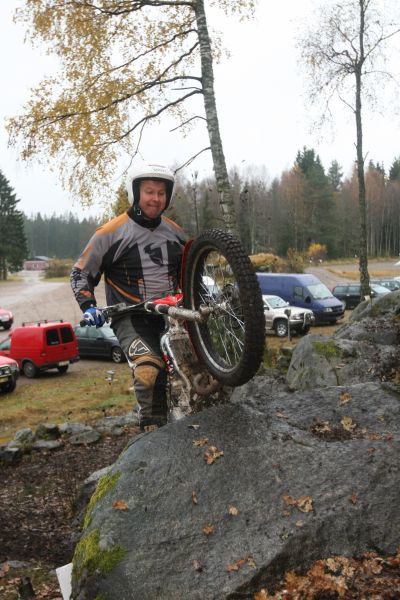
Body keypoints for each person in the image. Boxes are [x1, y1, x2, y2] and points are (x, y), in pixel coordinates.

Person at [70, 164, 187, 432]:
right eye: (149, 192)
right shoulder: (110, 233)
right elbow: (80, 273)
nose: (155, 199)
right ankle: (151, 430)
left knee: (192, 370)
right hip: (130, 316)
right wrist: (89, 307)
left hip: (173, 315)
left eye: (161, 193)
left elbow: (189, 272)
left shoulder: (175, 232)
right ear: (135, 193)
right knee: (148, 370)